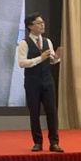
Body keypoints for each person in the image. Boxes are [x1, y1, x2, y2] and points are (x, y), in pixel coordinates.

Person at [18, 13, 65, 152]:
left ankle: (54, 143)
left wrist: (57, 57)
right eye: (39, 23)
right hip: (32, 82)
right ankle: (37, 142)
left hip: (47, 81)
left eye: (43, 22)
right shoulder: (24, 43)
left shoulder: (47, 41)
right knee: (35, 112)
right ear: (30, 26)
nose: (42, 25)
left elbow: (51, 60)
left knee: (52, 112)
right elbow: (22, 63)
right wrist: (40, 58)